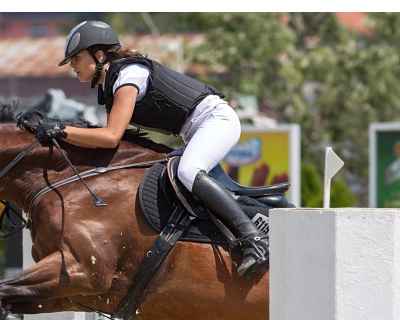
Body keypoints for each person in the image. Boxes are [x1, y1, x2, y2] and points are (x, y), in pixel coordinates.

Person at [37, 20, 268, 279]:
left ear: (99, 54)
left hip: (215, 120)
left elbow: (111, 136)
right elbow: (112, 139)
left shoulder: (128, 76)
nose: (72, 66)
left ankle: (253, 240)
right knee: (180, 177)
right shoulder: (110, 84)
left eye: (76, 58)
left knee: (189, 171)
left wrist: (62, 130)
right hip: (195, 130)